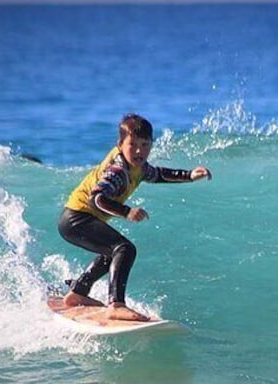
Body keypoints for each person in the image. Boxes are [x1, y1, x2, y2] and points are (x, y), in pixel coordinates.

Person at [58, 114, 212, 321]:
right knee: (125, 249)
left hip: (77, 219)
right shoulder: (118, 171)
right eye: (133, 145)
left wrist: (189, 175)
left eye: (145, 144)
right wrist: (127, 212)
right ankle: (116, 304)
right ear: (120, 144)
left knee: (113, 253)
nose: (139, 150)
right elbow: (98, 198)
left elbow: (157, 174)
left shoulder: (137, 167)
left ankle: (77, 293)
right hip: (76, 219)